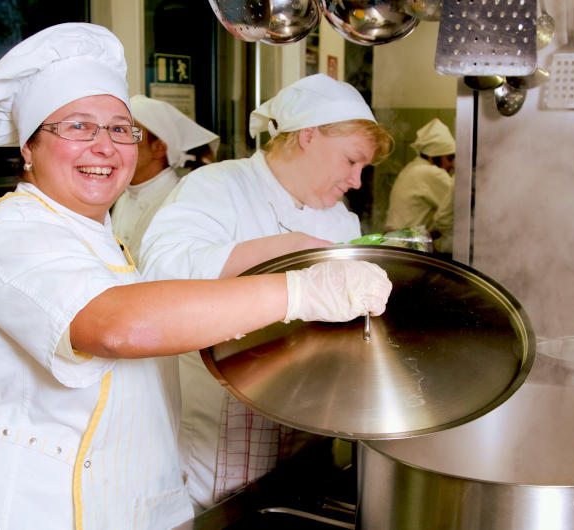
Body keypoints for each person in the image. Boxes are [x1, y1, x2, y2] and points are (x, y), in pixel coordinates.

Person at [0, 24, 392, 530]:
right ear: (28, 149)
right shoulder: (5, 236)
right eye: (77, 127)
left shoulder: (101, 243)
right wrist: (300, 288)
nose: (104, 147)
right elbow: (118, 327)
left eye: (121, 129)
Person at [138, 73, 394, 511]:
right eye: (352, 161)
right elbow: (160, 271)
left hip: (308, 434)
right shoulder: (219, 186)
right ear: (308, 137)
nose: (356, 181)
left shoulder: (341, 220)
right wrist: (285, 247)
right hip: (217, 446)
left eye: (363, 169)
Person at [111, 96, 219, 258]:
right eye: (115, 132)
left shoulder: (179, 203)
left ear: (159, 148)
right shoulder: (122, 196)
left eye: (129, 133)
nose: (113, 144)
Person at [384, 117, 456, 253]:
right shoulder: (431, 173)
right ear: (434, 156)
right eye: (449, 158)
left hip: (393, 243)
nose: (452, 165)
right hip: (407, 247)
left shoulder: (412, 168)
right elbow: (458, 207)